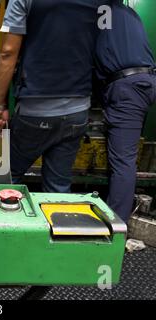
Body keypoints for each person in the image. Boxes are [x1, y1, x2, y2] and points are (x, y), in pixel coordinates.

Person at [0, 0, 107, 192]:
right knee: (58, 188)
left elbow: (8, 53)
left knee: (6, 178)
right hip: (78, 110)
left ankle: (10, 219)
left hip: (35, 110)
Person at [94, 0, 156, 222]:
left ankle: (117, 226)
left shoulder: (98, 11)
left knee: (123, 162)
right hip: (144, 81)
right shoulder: (130, 12)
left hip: (127, 87)